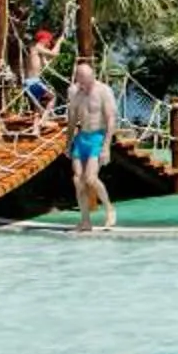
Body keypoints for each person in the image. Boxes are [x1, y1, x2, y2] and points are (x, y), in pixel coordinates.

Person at [64, 60, 119, 234]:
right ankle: (85, 221)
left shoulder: (103, 91)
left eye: (89, 80)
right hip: (81, 138)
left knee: (90, 179)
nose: (87, 84)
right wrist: (68, 143)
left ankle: (109, 208)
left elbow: (111, 119)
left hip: (97, 136)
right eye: (83, 81)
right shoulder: (74, 92)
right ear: (78, 79)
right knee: (77, 180)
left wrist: (106, 147)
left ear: (92, 76)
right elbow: (72, 120)